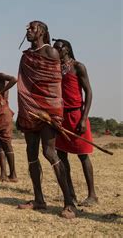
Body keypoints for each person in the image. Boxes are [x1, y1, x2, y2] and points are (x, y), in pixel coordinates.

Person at [16, 21, 77, 219]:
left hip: (48, 113)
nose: (28, 31)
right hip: (29, 111)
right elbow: (23, 86)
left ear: (41, 31)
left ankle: (69, 203)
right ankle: (39, 199)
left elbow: (54, 86)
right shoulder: (25, 57)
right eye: (28, 28)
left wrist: (50, 113)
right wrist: (27, 108)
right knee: (31, 154)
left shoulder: (51, 53)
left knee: (49, 153)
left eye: (32, 28)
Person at [53, 39, 98, 206]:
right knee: (62, 155)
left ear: (66, 49)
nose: (55, 51)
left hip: (77, 115)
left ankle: (92, 195)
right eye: (53, 49)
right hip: (60, 117)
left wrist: (84, 118)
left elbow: (89, 92)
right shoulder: (55, 69)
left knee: (83, 155)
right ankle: (70, 194)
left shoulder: (78, 67)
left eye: (58, 48)